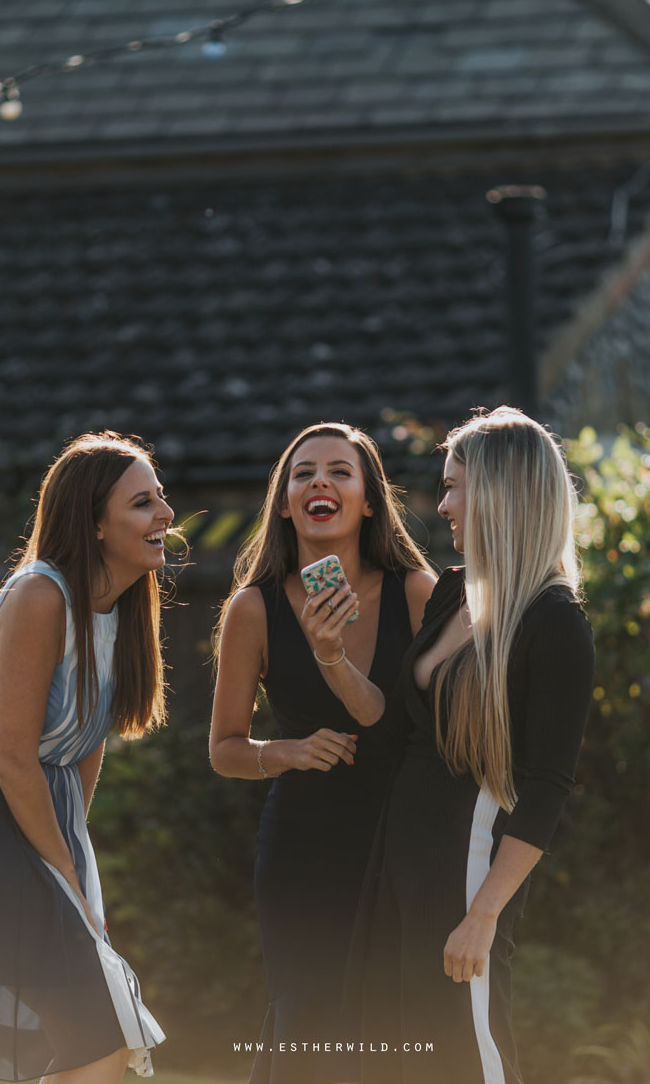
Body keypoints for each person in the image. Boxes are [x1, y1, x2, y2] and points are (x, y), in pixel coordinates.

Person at [0, 432, 172, 1083]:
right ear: (95, 523)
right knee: (97, 1019)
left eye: (161, 498)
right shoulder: (41, 596)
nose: (165, 515)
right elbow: (13, 759)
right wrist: (64, 874)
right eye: (142, 503)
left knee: (92, 1024)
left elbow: (83, 752)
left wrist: (76, 860)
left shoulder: (125, 610)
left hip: (32, 803)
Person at [347, 407, 595, 1084]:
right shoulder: (454, 591)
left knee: (463, 1054)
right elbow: (399, 731)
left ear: (501, 493)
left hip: (467, 866)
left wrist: (484, 912)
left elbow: (547, 786)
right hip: (401, 852)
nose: (443, 502)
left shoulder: (555, 622)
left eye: (455, 486)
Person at [209, 423, 436, 1084]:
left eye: (340, 471)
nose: (320, 482)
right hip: (302, 850)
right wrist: (288, 750)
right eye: (303, 473)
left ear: (368, 500)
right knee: (307, 1027)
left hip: (396, 839)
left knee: (387, 1026)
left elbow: (395, 728)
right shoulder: (252, 608)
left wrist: (331, 656)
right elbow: (224, 748)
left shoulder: (416, 594)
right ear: (285, 503)